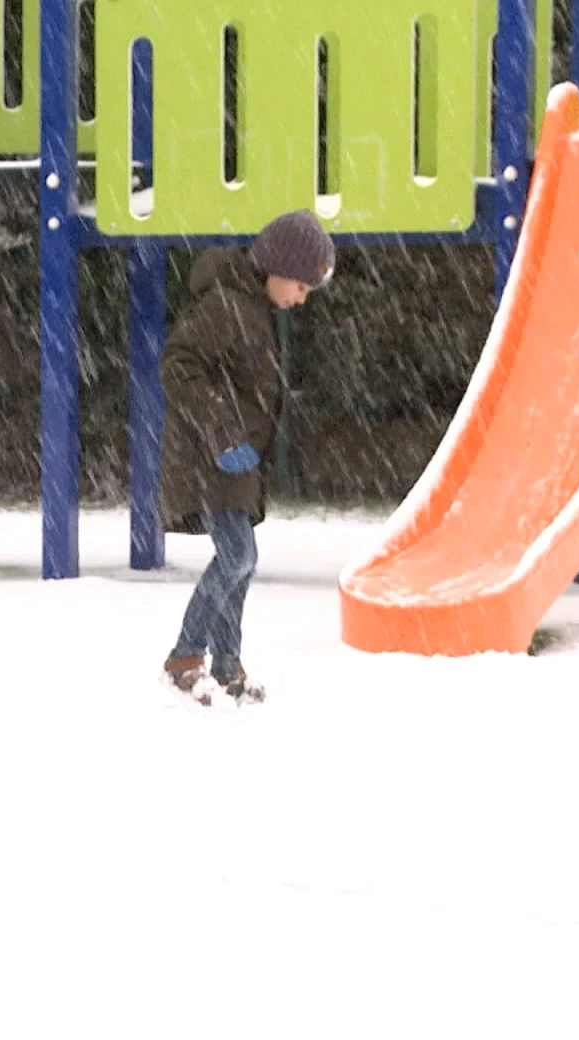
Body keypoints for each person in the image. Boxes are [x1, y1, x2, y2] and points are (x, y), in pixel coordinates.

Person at [158, 209, 335, 705]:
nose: (301, 299)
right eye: (301, 287)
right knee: (239, 557)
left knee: (241, 563)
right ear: (278, 268)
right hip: (207, 456)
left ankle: (228, 666)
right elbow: (178, 365)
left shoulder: (253, 309)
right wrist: (221, 431)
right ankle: (185, 658)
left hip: (235, 461)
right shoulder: (227, 307)